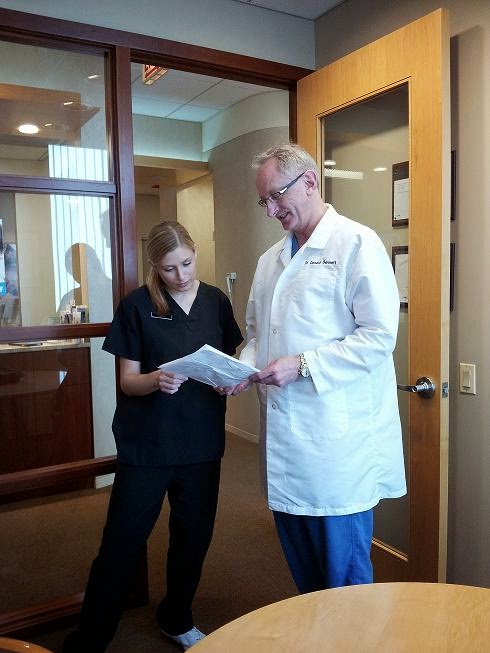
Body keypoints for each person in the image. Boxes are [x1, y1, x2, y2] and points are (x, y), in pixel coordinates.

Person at [226, 142, 406, 594]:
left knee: (345, 583)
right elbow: (258, 335)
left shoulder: (356, 243)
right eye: (263, 202)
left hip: (336, 448)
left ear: (309, 181)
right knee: (307, 582)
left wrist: (304, 365)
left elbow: (378, 336)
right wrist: (240, 368)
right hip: (286, 446)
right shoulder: (270, 260)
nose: (271, 210)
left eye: (275, 196)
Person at [63, 221, 243, 652]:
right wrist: (156, 380)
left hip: (201, 442)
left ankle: (176, 617)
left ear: (195, 252)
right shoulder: (137, 306)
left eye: (187, 263)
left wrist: (229, 380)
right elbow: (128, 382)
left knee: (193, 538)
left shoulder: (215, 301)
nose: (181, 275)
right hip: (148, 444)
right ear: (154, 267)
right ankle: (90, 639)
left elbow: (227, 359)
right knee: (121, 543)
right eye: (169, 268)